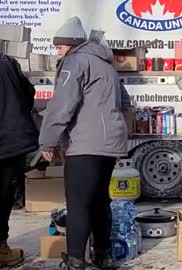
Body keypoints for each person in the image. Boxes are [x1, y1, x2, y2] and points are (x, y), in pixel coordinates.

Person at [39, 17, 130, 270]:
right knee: (100, 200)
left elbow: (61, 106)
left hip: (86, 144)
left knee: (78, 203)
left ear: (70, 44)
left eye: (59, 46)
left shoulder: (76, 61)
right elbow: (125, 103)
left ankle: (76, 260)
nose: (57, 51)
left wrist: (48, 141)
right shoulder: (107, 64)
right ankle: (103, 254)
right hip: (110, 144)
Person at [0, 53, 39, 267]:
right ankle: (1, 249)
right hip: (9, 142)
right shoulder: (7, 62)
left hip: (7, 141)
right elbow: (28, 93)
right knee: (3, 196)